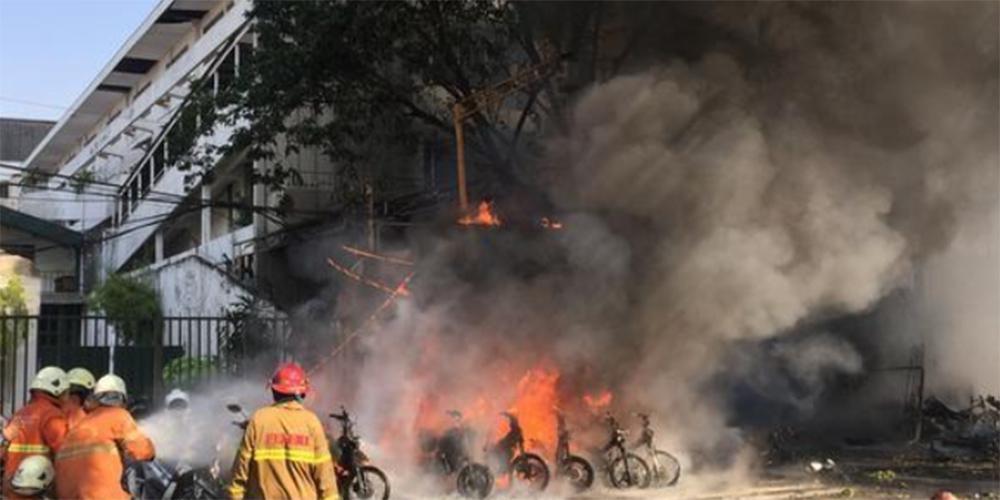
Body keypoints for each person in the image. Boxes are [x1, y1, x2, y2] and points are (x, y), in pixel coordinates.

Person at [228, 362, 338, 500]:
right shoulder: (312, 423)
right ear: (302, 393)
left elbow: (238, 477)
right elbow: (326, 481)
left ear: (274, 391)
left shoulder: (258, 420)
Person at [54, 374, 155, 500]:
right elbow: (142, 451)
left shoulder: (80, 426)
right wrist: (151, 450)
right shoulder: (118, 415)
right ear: (121, 398)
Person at [1, 366, 69, 500]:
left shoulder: (20, 414)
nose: (67, 396)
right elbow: (64, 453)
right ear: (57, 390)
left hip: (12, 485)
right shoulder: (52, 415)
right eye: (66, 392)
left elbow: (3, 451)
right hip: (38, 489)